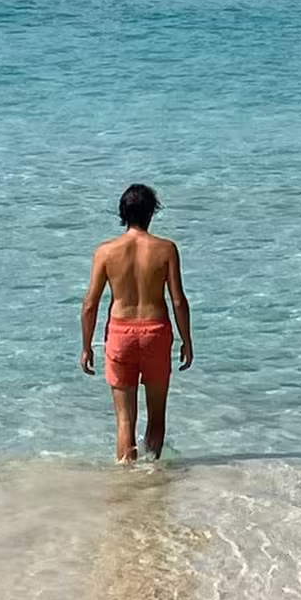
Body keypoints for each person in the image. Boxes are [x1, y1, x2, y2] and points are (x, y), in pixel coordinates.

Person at [80, 184, 193, 463]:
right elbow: (178, 300)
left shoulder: (105, 252)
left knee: (124, 421)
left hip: (120, 335)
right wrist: (187, 340)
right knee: (156, 418)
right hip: (156, 333)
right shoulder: (166, 249)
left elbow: (90, 304)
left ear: (123, 213)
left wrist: (86, 347)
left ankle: (128, 485)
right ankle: (151, 478)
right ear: (151, 213)